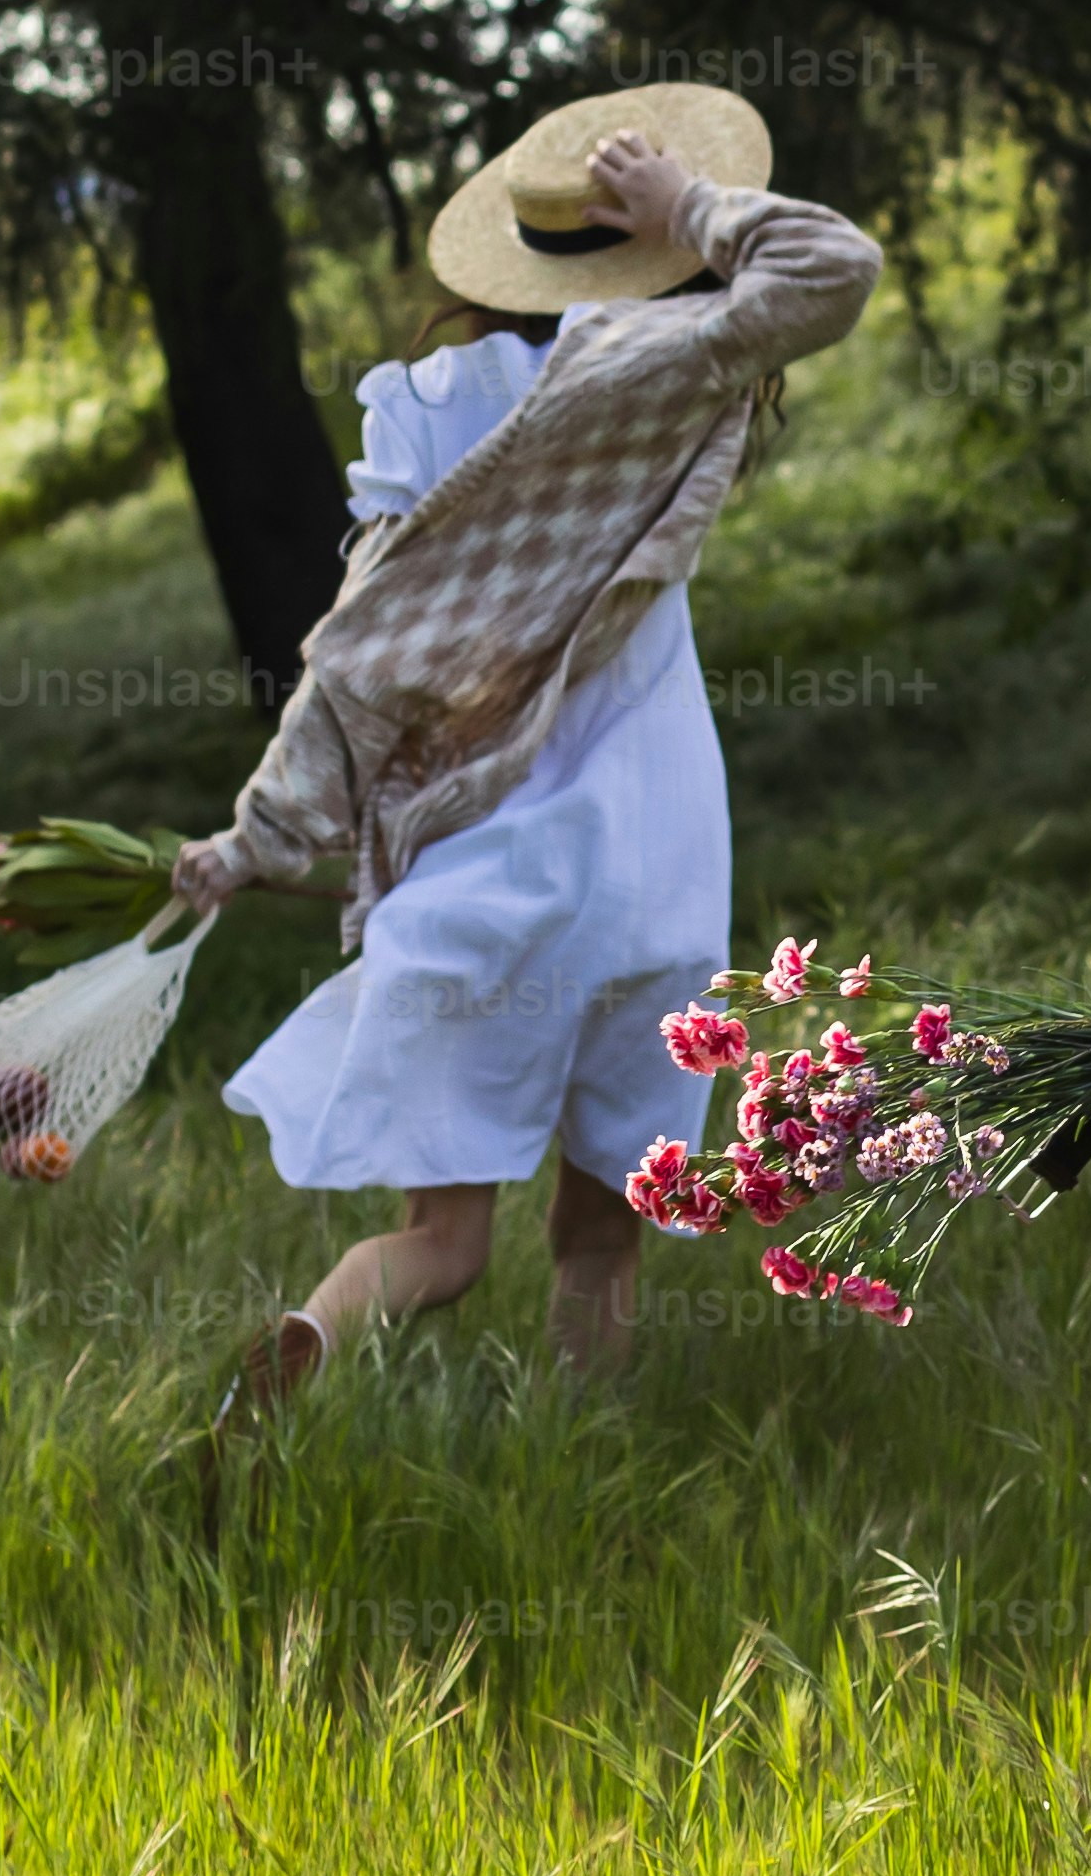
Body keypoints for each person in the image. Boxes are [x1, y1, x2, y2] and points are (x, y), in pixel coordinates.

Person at [173, 86, 874, 1410]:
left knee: (438, 1243)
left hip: (489, 885)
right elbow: (833, 266)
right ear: (644, 252)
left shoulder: (432, 407)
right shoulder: (670, 370)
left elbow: (363, 650)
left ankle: (306, 1351)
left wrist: (255, 840)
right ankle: (582, 1457)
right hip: (655, 868)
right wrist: (698, 211)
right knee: (599, 1239)